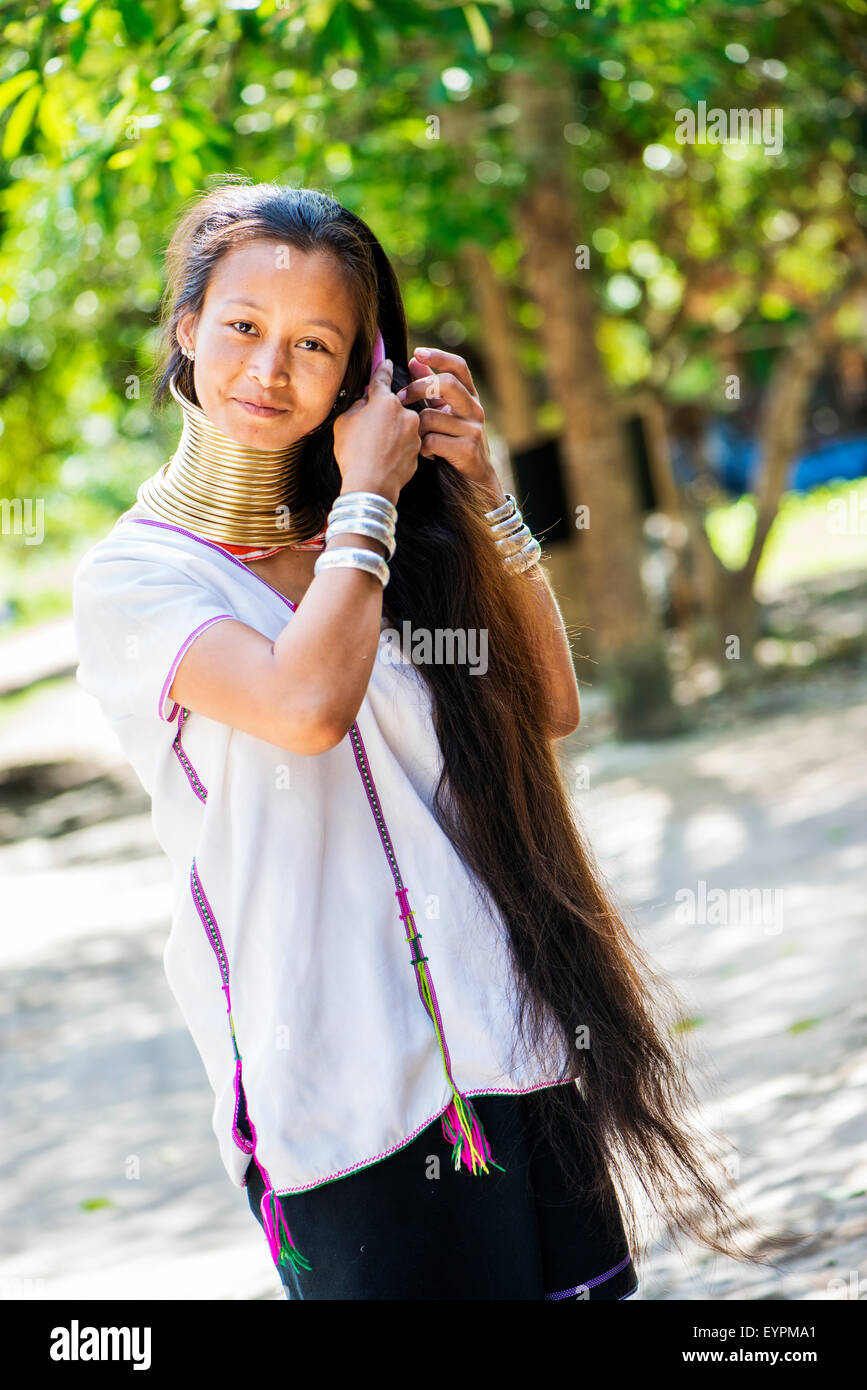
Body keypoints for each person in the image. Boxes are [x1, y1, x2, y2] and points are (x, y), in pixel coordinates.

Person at [72, 179, 768, 1301]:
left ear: (361, 376)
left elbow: (546, 702)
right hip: (334, 1073)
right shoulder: (138, 578)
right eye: (244, 326)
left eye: (316, 343)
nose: (269, 368)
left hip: (509, 1021)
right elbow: (306, 709)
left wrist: (480, 494)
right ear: (187, 327)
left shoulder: (388, 531)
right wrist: (366, 502)